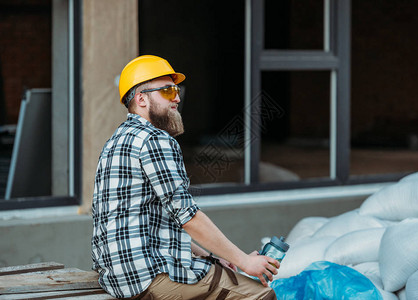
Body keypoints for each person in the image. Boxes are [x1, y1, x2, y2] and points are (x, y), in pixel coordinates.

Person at [91, 55, 280, 300]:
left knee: (216, 271)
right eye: (168, 91)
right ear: (141, 99)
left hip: (118, 278)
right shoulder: (155, 140)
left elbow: (156, 224)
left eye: (177, 90)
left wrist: (211, 256)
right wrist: (244, 261)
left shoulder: (115, 141)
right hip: (148, 277)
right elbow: (187, 217)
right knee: (261, 294)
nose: (177, 98)